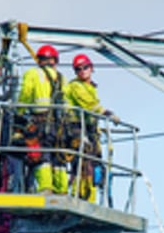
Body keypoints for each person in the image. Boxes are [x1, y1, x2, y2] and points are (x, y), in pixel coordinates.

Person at [63, 53, 120, 203]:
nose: (82, 71)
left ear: (91, 68)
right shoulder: (75, 86)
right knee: (82, 165)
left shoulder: (90, 87)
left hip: (88, 130)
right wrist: (108, 114)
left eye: (85, 67)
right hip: (76, 128)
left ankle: (90, 198)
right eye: (78, 69)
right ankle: (79, 196)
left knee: (93, 164)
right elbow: (90, 106)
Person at [16, 45, 68, 194]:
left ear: (39, 60)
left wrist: (19, 113)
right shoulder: (62, 78)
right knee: (59, 157)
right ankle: (62, 189)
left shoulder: (32, 74)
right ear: (55, 60)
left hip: (40, 122)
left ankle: (46, 188)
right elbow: (67, 103)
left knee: (41, 155)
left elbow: (26, 94)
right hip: (60, 125)